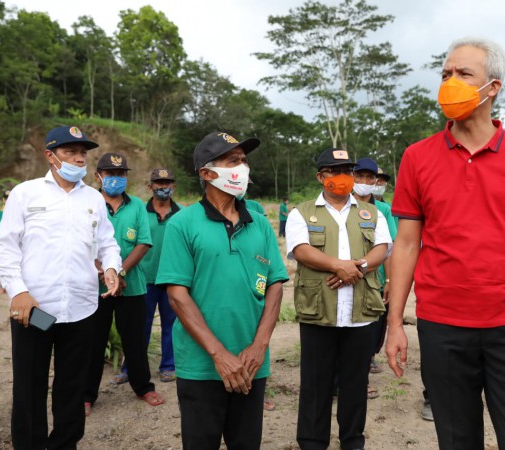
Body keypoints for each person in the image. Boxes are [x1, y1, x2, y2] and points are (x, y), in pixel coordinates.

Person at [386, 37, 505, 449]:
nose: (450, 82)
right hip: (442, 327)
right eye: (445, 74)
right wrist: (395, 321)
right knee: (456, 440)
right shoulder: (417, 157)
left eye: (463, 74)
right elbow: (405, 245)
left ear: (492, 87)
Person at [156, 131, 288, 448]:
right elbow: (177, 295)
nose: (242, 168)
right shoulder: (182, 224)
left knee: (246, 443)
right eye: (233, 161)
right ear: (206, 172)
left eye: (244, 161)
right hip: (201, 366)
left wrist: (259, 346)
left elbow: (275, 286)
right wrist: (219, 355)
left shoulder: (259, 223)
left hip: (252, 364)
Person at [0, 125, 121, 449]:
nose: (79, 159)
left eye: (83, 153)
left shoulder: (94, 198)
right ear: (50, 155)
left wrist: (111, 268)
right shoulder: (26, 194)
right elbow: (5, 247)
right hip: (35, 310)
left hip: (80, 310)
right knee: (30, 386)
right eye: (70, 152)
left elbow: (108, 243)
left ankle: (64, 444)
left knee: (71, 386)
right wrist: (18, 291)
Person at [286, 148, 391, 450]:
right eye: (334, 171)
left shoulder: (371, 213)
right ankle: (312, 442)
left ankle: (352, 441)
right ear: (321, 176)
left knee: (355, 385)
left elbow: (382, 247)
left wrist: (358, 268)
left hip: (361, 313)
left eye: (348, 170)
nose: (343, 177)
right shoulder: (302, 212)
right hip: (319, 311)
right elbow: (301, 249)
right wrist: (338, 266)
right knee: (315, 385)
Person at [84, 152, 163, 415]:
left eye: (121, 174)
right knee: (93, 341)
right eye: (110, 174)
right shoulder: (87, 202)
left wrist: (119, 273)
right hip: (95, 287)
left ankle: (143, 387)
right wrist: (101, 271)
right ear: (98, 176)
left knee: (135, 340)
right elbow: (78, 241)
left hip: (133, 285)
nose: (116, 179)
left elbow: (144, 242)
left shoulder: (138, 205)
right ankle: (86, 395)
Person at [118, 169, 182, 383]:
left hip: (171, 279)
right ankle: (130, 369)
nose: (163, 187)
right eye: (158, 183)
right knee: (138, 327)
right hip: (143, 279)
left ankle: (168, 366)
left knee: (171, 325)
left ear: (173, 186)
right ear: (150, 186)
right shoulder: (139, 212)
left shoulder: (181, 214)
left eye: (167, 182)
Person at [352, 157, 397, 384]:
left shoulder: (383, 210)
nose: (365, 182)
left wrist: (389, 279)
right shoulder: (343, 204)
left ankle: (367, 360)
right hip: (348, 278)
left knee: (375, 325)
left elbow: (389, 248)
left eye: (371, 178)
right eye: (359, 176)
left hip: (376, 279)